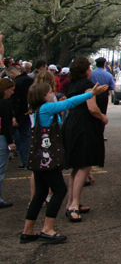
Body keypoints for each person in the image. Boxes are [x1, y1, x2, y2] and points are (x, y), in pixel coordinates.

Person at [19, 79, 108, 243]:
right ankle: (48, 228)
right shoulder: (47, 108)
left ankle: (28, 230)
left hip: (39, 158)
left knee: (40, 193)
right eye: (50, 92)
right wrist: (91, 94)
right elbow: (69, 103)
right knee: (59, 190)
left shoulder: (37, 110)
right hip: (48, 158)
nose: (53, 94)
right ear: (43, 96)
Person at [62, 57, 108, 222]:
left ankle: (71, 202)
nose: (90, 70)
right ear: (85, 70)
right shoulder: (87, 85)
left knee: (77, 165)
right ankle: (74, 205)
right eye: (89, 67)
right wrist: (103, 118)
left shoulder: (71, 85)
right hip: (84, 125)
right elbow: (92, 108)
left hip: (71, 122)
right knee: (84, 164)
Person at [6, 64, 33, 168]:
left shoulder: (16, 83)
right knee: (26, 137)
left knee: (8, 135)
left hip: (17, 114)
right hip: (27, 112)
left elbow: (15, 101)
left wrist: (13, 115)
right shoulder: (30, 80)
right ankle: (26, 160)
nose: (10, 78)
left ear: (13, 72)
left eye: (9, 76)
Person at [0, 78, 17, 208]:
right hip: (2, 137)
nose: (13, 92)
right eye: (11, 90)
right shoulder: (4, 104)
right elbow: (5, 124)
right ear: (5, 90)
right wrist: (10, 142)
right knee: (1, 169)